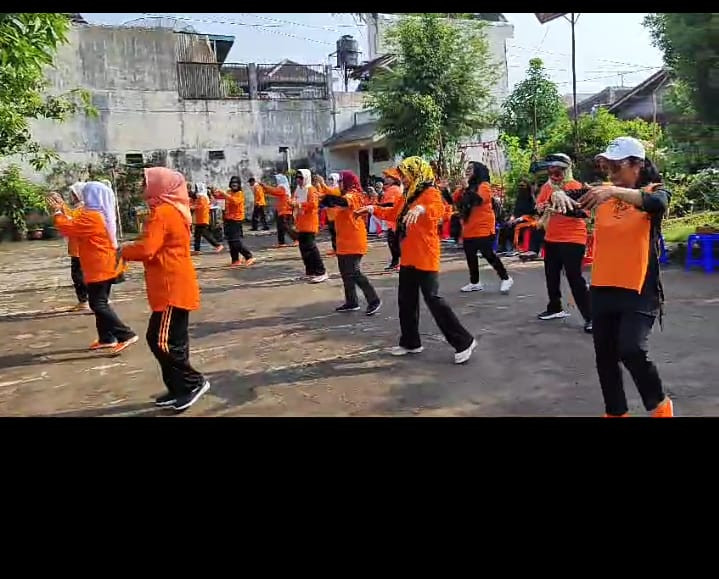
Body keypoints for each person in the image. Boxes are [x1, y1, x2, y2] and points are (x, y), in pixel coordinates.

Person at [580, 136, 673, 417]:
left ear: (637, 165)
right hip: (602, 287)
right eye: (608, 167)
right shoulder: (604, 196)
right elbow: (576, 204)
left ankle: (660, 406)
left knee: (631, 350)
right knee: (605, 358)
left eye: (616, 167)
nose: (611, 174)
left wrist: (614, 192)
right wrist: (560, 196)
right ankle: (616, 413)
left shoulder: (654, 190)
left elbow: (656, 203)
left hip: (638, 289)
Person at [357, 157, 477, 364]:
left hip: (425, 254)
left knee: (434, 300)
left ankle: (464, 341)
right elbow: (394, 214)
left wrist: (421, 209)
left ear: (416, 172)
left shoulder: (430, 192)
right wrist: (371, 209)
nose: (402, 177)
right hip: (409, 255)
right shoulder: (409, 194)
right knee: (406, 300)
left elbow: (438, 210)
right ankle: (410, 342)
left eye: (405, 173)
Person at [121, 167, 210, 412]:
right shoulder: (172, 210)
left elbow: (147, 248)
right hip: (174, 283)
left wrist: (123, 251)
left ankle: (192, 383)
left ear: (160, 186)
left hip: (172, 286)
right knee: (171, 340)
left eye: (146, 182)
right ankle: (178, 388)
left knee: (162, 341)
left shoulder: (163, 212)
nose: (142, 186)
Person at [48, 182, 138, 354]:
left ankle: (125, 334)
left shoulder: (93, 216)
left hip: (100, 266)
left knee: (97, 304)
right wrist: (62, 209)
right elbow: (74, 222)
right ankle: (106, 338)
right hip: (102, 264)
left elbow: (69, 228)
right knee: (99, 302)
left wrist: (58, 211)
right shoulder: (98, 213)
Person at [535, 153, 592, 332]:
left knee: (575, 278)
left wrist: (561, 206)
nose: (553, 172)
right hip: (551, 237)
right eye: (550, 168)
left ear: (566, 169)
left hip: (573, 238)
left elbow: (585, 213)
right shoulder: (547, 187)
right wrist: (542, 207)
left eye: (557, 168)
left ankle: (591, 317)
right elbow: (538, 206)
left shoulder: (575, 186)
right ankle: (555, 307)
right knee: (551, 275)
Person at [320, 171, 381, 315]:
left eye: (341, 181)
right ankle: (351, 302)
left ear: (347, 182)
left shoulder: (355, 194)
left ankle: (374, 300)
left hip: (354, 241)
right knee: (346, 273)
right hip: (343, 241)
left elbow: (345, 202)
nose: (339, 184)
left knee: (354, 272)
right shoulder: (344, 194)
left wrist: (329, 198)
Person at [454, 161, 513, 294]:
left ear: (478, 171)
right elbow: (456, 200)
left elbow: (478, 200)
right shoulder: (467, 187)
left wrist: (467, 188)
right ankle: (475, 282)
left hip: (483, 226)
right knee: (470, 255)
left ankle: (506, 278)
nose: (467, 171)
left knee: (488, 254)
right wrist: (455, 189)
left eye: (471, 168)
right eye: (467, 168)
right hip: (469, 227)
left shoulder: (484, 186)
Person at [290, 169, 328, 283]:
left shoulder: (311, 189)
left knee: (311, 248)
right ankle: (310, 272)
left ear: (306, 178)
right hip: (301, 222)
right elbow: (293, 199)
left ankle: (321, 272)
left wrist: (299, 204)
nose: (298, 180)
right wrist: (291, 202)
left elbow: (313, 205)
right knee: (303, 248)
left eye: (300, 178)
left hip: (310, 222)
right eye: (297, 177)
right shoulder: (298, 189)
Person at [212, 176, 256, 267]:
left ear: (239, 185)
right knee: (231, 242)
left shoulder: (240, 194)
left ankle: (248, 256)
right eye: (232, 184)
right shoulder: (229, 192)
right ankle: (235, 260)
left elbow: (234, 201)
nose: (234, 185)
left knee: (236, 241)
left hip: (236, 220)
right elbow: (220, 198)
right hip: (228, 219)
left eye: (236, 184)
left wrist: (224, 194)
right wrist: (214, 192)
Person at [60, 181, 90, 312]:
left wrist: (60, 207)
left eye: (73, 193)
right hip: (78, 248)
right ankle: (87, 300)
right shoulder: (82, 208)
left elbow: (68, 222)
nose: (72, 196)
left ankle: (85, 301)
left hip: (80, 249)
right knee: (82, 275)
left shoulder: (82, 209)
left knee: (79, 276)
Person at [380, 168, 403, 270]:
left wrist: (377, 207)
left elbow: (389, 204)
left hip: (394, 220)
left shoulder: (393, 189)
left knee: (394, 242)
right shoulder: (393, 189)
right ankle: (396, 262)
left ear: (394, 179)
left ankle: (397, 263)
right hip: (392, 220)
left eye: (388, 177)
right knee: (393, 242)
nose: (385, 178)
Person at [191, 183, 223, 255]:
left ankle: (217, 245)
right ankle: (197, 249)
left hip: (203, 218)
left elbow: (201, 206)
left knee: (205, 233)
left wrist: (193, 207)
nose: (195, 190)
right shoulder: (200, 196)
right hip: (199, 218)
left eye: (196, 188)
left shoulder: (202, 197)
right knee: (197, 234)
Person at [263, 174, 294, 247]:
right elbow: (274, 193)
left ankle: (296, 239)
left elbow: (275, 191)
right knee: (280, 227)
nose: (275, 181)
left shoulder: (283, 187)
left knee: (285, 227)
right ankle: (281, 242)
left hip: (285, 210)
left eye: (276, 180)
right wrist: (266, 190)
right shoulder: (283, 187)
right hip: (280, 209)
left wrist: (266, 187)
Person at [315, 172, 341, 256]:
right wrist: (318, 184)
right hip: (330, 215)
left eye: (332, 179)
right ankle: (335, 249)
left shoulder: (338, 189)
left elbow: (330, 192)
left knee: (337, 234)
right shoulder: (329, 188)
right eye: (329, 179)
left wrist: (322, 183)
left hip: (337, 215)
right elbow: (322, 194)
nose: (330, 181)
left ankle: (339, 249)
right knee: (333, 233)